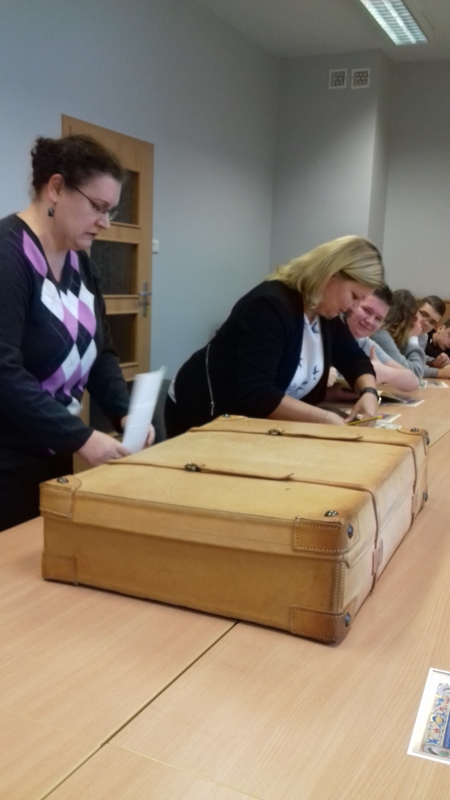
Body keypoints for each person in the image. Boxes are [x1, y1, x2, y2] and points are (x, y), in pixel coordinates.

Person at [0, 134, 154, 531]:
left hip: (50, 453)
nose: (105, 222)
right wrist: (80, 437)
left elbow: (100, 352)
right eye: (98, 207)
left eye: (110, 211)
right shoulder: (7, 257)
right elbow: (4, 372)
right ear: (55, 188)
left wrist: (124, 412)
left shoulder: (81, 265)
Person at [165, 235, 385, 438]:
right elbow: (257, 393)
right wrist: (324, 418)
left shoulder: (326, 313)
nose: (353, 307)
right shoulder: (270, 306)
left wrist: (368, 392)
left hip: (253, 420)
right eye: (354, 296)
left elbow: (355, 359)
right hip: (203, 411)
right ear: (331, 274)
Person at [327, 286, 419, 399]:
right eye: (366, 310)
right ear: (351, 304)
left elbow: (414, 381)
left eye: (378, 319)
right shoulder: (323, 331)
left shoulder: (365, 343)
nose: (370, 321)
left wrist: (385, 373)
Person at [371, 290, 426, 379]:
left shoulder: (392, 336)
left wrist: (437, 371)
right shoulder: (381, 335)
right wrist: (413, 339)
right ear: (410, 319)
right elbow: (415, 373)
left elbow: (417, 367)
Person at [416, 295, 450, 379]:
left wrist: (432, 362)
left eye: (432, 322)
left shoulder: (423, 335)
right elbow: (407, 366)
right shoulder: (397, 330)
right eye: (424, 314)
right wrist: (440, 372)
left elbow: (418, 358)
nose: (425, 323)